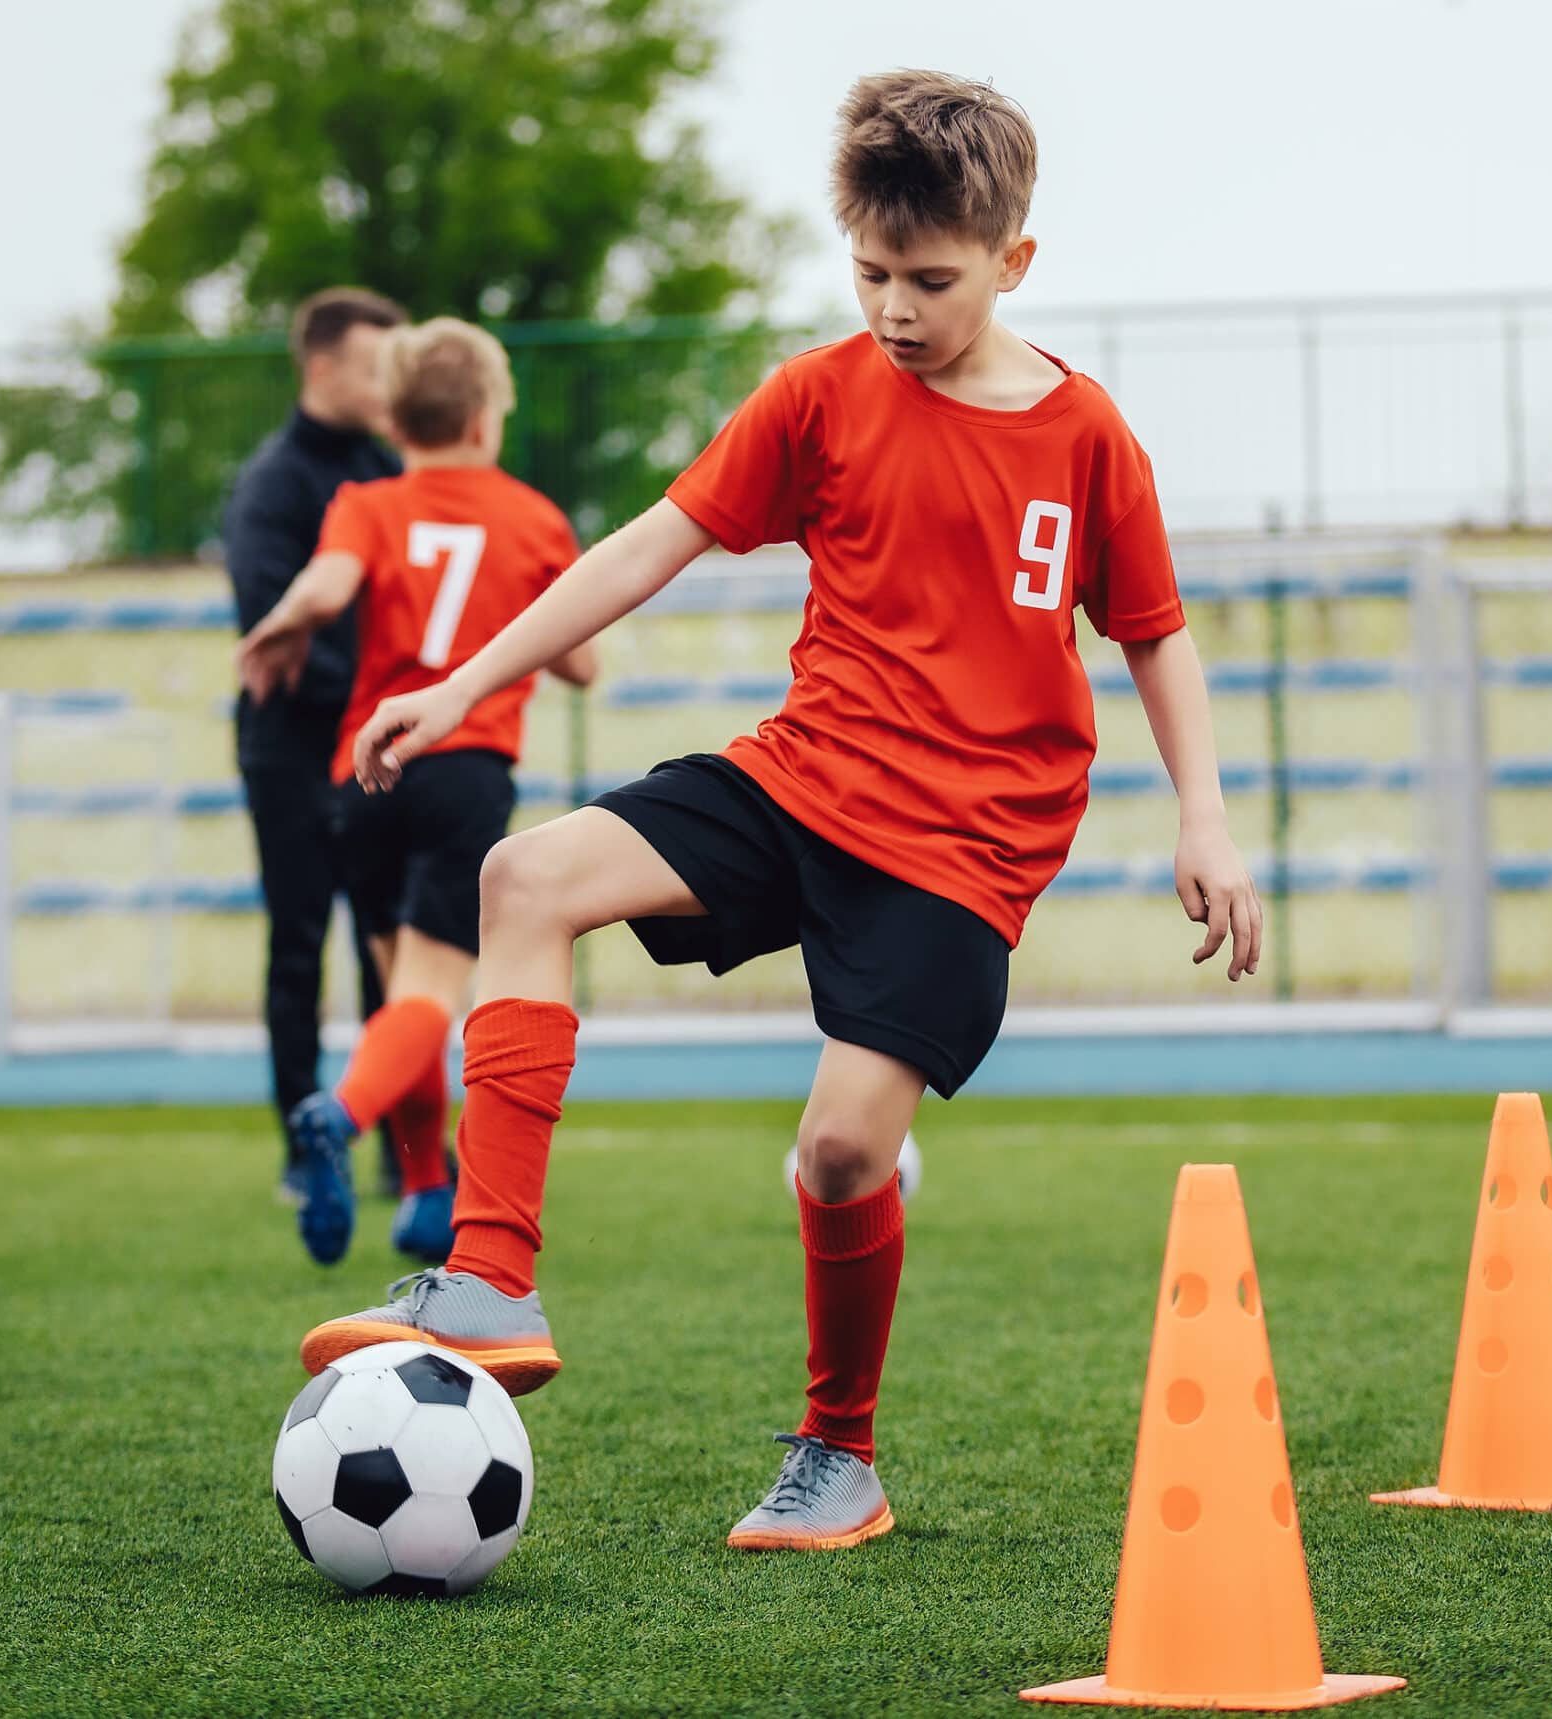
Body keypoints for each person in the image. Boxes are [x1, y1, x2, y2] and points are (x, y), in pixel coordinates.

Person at [295, 69, 1265, 1552]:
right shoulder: (817, 396)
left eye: (930, 279)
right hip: (803, 777)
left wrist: (1204, 816)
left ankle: (841, 1452)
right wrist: (461, 681)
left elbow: (1154, 630)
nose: (894, 306)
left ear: (1013, 263)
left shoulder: (1086, 437)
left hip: (965, 850)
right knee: (526, 876)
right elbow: (644, 547)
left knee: (839, 1156)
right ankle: (489, 1273)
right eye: (869, 271)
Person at [238, 318, 597, 1268]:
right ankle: (342, 1114)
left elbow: (325, 585)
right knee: (433, 999)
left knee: (403, 995)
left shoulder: (366, 502)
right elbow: (585, 660)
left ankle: (430, 1194)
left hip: (367, 768)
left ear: (396, 421)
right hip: (466, 764)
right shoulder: (531, 516)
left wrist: (279, 625)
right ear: (485, 419)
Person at [224, 287, 407, 1199]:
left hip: (374, 750)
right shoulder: (272, 484)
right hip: (294, 749)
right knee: (298, 944)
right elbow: (276, 635)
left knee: (389, 950)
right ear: (323, 365)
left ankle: (393, 1145)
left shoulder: (388, 466)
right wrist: (383, 693)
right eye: (377, 366)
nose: (392, 384)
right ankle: (306, 1144)